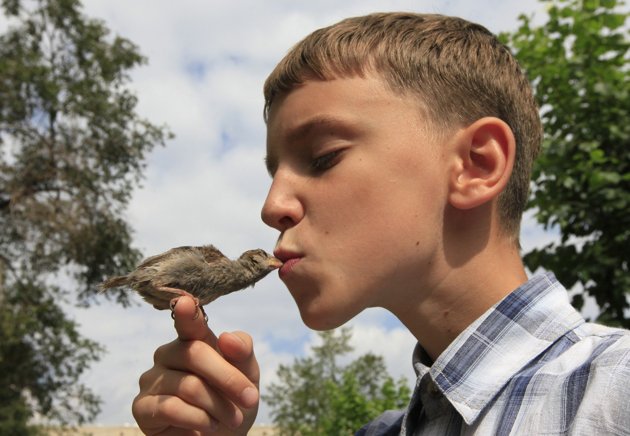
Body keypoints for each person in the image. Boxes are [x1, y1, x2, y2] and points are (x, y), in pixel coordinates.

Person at [131, 12, 630, 435]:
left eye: (323, 157)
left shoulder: (614, 394)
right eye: (273, 171)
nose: (272, 205)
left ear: (476, 165)